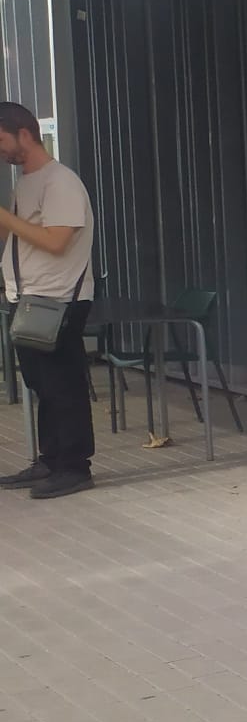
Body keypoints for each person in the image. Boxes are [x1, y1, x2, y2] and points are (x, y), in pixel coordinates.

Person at [0, 101, 96, 500]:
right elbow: (20, 236)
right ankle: (51, 459)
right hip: (29, 298)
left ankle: (74, 466)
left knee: (63, 385)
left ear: (23, 133)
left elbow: (57, 241)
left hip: (56, 300)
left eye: (0, 140)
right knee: (42, 385)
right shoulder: (27, 181)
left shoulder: (61, 182)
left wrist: (5, 218)